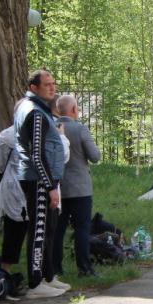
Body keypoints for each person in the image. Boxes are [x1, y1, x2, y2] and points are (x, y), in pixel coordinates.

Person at [14, 70, 69, 298]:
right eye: (46, 84)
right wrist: (49, 187)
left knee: (49, 229)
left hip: (45, 179)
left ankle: (48, 276)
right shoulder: (34, 112)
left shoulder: (39, 110)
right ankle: (36, 283)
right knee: (39, 230)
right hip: (38, 181)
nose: (52, 88)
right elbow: (37, 154)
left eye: (53, 84)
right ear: (33, 87)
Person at [52, 95, 102, 278]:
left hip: (57, 188)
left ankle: (55, 268)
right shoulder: (80, 129)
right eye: (78, 108)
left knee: (58, 229)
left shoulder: (52, 128)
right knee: (82, 227)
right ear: (73, 110)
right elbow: (94, 156)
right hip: (80, 188)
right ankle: (84, 268)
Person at [0, 120, 28, 296]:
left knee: (12, 233)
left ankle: (4, 272)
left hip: (12, 189)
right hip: (32, 188)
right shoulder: (40, 134)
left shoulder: (5, 135)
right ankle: (40, 274)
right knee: (39, 233)